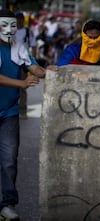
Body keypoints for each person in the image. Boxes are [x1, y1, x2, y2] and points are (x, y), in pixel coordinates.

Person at [0, 9, 57, 220]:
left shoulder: (19, 47)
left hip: (9, 113)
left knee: (9, 161)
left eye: (12, 26)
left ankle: (7, 205)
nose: (8, 30)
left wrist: (48, 71)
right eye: (3, 25)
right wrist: (21, 83)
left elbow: (33, 67)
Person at [15, 12, 37, 119]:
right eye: (17, 19)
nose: (19, 21)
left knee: (23, 86)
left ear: (23, 20)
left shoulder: (28, 32)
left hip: (23, 62)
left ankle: (23, 111)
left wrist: (33, 64)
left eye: (21, 19)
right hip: (11, 62)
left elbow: (33, 46)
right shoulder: (9, 30)